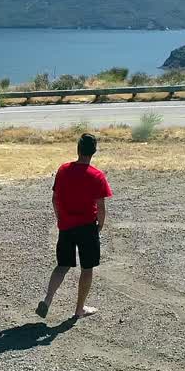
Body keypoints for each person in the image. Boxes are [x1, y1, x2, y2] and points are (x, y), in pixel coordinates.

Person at [36, 133, 112, 320]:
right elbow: (101, 207)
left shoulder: (63, 170)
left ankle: (47, 299)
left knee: (62, 265)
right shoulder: (97, 176)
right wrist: (100, 226)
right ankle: (79, 309)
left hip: (67, 226)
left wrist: (60, 218)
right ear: (93, 152)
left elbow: (55, 199)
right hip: (87, 227)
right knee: (87, 268)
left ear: (78, 149)